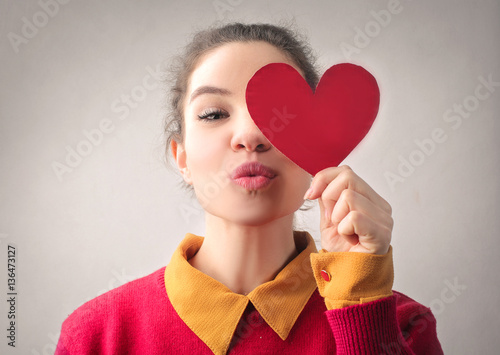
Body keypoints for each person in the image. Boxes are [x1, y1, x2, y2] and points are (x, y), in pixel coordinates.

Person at [55, 22, 444, 354]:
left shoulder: (402, 327)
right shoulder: (97, 336)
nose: (250, 135)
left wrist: (361, 303)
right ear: (182, 158)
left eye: (283, 114)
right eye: (214, 114)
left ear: (324, 143)